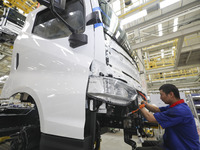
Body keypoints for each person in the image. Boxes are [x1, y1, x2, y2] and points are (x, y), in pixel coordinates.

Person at [137, 84, 200, 150]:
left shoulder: (179, 110)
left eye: (161, 94)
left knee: (139, 149)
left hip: (183, 147)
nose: (160, 98)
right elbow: (156, 110)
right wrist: (144, 103)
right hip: (171, 143)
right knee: (144, 143)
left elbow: (150, 118)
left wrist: (138, 104)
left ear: (171, 94)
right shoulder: (177, 106)